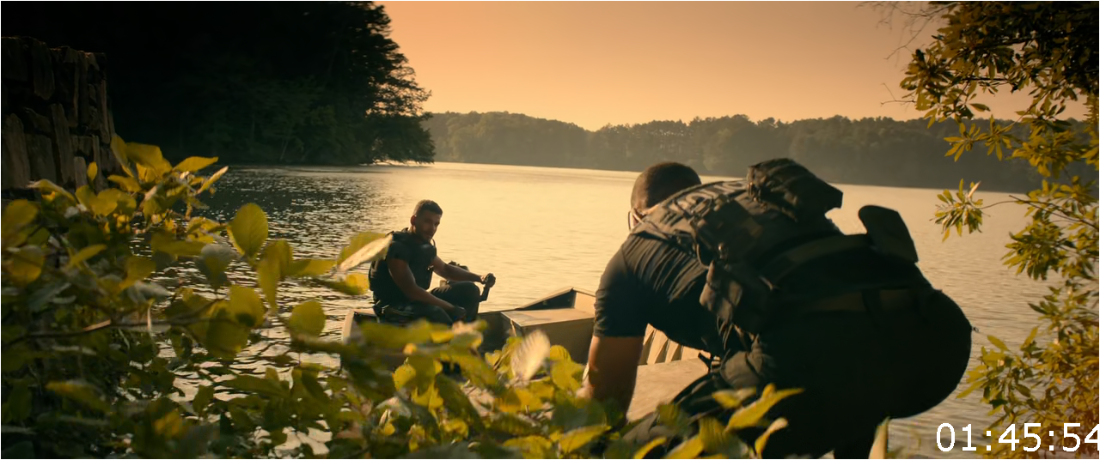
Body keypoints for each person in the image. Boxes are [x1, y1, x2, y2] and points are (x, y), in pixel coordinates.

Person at [581, 159, 973, 458]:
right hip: (936, 341)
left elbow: (605, 397)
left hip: (809, 354)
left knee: (632, 452)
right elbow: (851, 321)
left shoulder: (631, 255)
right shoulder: (758, 202)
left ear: (634, 216)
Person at [368, 199, 496, 326]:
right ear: (413, 220)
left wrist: (479, 278)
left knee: (470, 289)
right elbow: (411, 291)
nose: (432, 229)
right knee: (438, 313)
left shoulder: (422, 245)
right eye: (427, 222)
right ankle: (450, 338)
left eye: (436, 224)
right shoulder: (396, 248)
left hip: (416, 300)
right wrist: (450, 308)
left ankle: (466, 334)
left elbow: (445, 270)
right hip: (392, 305)